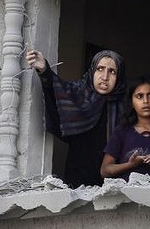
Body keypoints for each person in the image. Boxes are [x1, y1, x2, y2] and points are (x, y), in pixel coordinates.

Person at [26, 49, 126, 188]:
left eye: (112, 71)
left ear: (119, 76)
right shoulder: (79, 94)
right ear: (92, 71)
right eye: (100, 69)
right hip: (78, 177)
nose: (105, 76)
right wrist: (45, 71)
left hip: (112, 183)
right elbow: (58, 92)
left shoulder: (125, 108)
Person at [100, 75, 150, 181]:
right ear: (131, 103)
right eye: (139, 96)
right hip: (126, 195)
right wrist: (131, 164)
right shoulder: (122, 131)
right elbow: (104, 171)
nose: (145, 101)